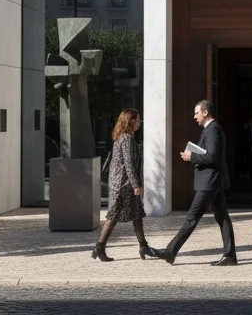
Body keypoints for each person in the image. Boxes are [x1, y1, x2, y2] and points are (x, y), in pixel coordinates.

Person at [151, 100, 237, 266]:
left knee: (192, 217)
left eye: (197, 113)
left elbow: (212, 156)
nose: (194, 116)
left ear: (205, 113)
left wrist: (193, 157)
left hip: (209, 182)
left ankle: (170, 252)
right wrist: (193, 155)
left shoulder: (213, 129)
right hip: (213, 181)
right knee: (223, 218)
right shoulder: (210, 129)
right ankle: (230, 255)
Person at [93, 108, 157, 262]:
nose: (139, 122)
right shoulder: (127, 139)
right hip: (123, 185)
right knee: (113, 216)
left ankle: (143, 246)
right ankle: (99, 248)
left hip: (122, 184)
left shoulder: (123, 137)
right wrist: (136, 185)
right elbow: (128, 164)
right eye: (137, 119)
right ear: (130, 121)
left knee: (137, 214)